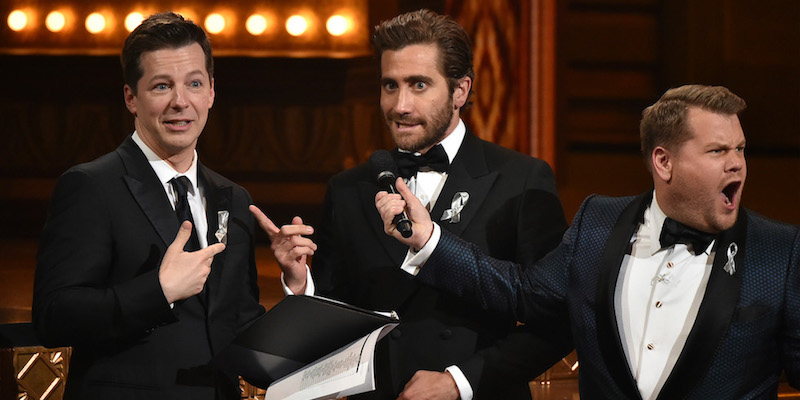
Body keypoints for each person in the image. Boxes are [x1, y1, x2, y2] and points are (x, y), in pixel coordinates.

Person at [376, 84, 800, 398]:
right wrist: (429, 238)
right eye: (718, 151)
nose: (737, 165)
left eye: (740, 150)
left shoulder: (780, 252)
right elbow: (522, 292)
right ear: (664, 162)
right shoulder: (598, 222)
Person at [250, 8, 568, 400]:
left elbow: (556, 320)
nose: (400, 105)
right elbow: (337, 316)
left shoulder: (520, 180)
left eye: (419, 85)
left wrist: (458, 382)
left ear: (460, 91)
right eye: (390, 86)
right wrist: (300, 285)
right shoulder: (349, 188)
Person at [33, 12, 264, 400]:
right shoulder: (90, 186)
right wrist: (158, 292)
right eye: (161, 86)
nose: (180, 102)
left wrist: (295, 286)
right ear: (131, 98)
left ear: (211, 92)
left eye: (194, 83)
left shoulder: (233, 198)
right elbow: (54, 316)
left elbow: (237, 325)